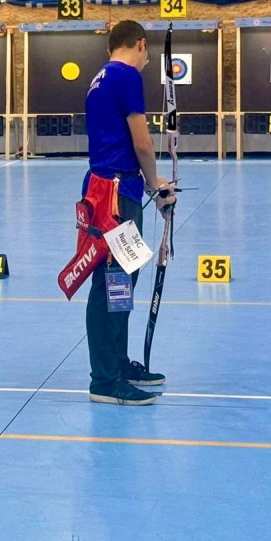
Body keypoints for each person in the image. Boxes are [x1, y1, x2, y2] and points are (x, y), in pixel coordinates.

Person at [83, 20, 176, 406]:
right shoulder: (126, 75)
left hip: (109, 190)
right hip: (116, 196)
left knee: (120, 283)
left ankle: (117, 364)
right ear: (139, 43)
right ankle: (104, 380)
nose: (146, 60)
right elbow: (142, 142)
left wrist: (149, 185)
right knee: (111, 283)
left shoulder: (100, 78)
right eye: (147, 53)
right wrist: (156, 185)